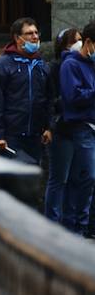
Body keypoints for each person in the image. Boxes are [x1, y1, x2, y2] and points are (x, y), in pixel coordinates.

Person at [0, 17, 51, 165]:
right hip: (12, 135)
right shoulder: (4, 64)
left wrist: (49, 127)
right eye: (29, 33)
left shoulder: (41, 65)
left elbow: (48, 97)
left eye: (36, 32)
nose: (35, 37)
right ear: (17, 38)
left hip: (36, 135)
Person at [57, 20, 95, 235]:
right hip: (80, 125)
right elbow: (73, 97)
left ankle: (82, 224)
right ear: (88, 42)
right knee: (87, 176)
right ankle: (75, 226)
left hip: (91, 125)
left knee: (85, 177)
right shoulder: (70, 64)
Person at [44, 27, 81, 222]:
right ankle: (52, 221)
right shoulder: (57, 67)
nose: (80, 44)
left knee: (77, 179)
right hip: (61, 128)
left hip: (78, 128)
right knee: (59, 179)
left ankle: (70, 222)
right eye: (76, 40)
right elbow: (52, 99)